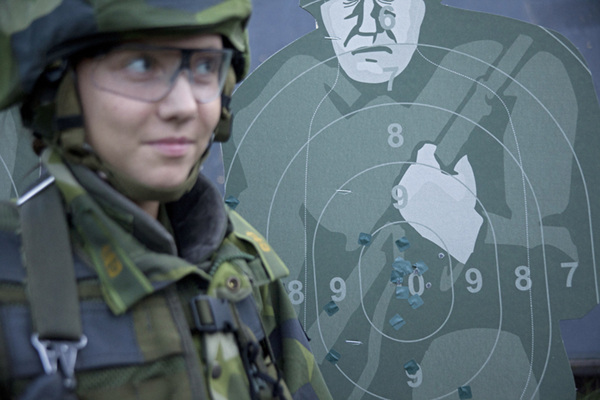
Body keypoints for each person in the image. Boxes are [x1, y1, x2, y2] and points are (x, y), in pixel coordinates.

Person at [223, 0, 600, 399]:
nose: (369, 23)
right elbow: (258, 304)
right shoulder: (264, 104)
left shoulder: (529, 66)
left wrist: (467, 235)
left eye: (386, 1)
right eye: (349, 3)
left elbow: (579, 283)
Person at [0, 1, 332, 399]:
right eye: (142, 66)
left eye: (205, 66)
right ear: (62, 90)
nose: (184, 106)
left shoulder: (237, 259)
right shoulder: (10, 280)